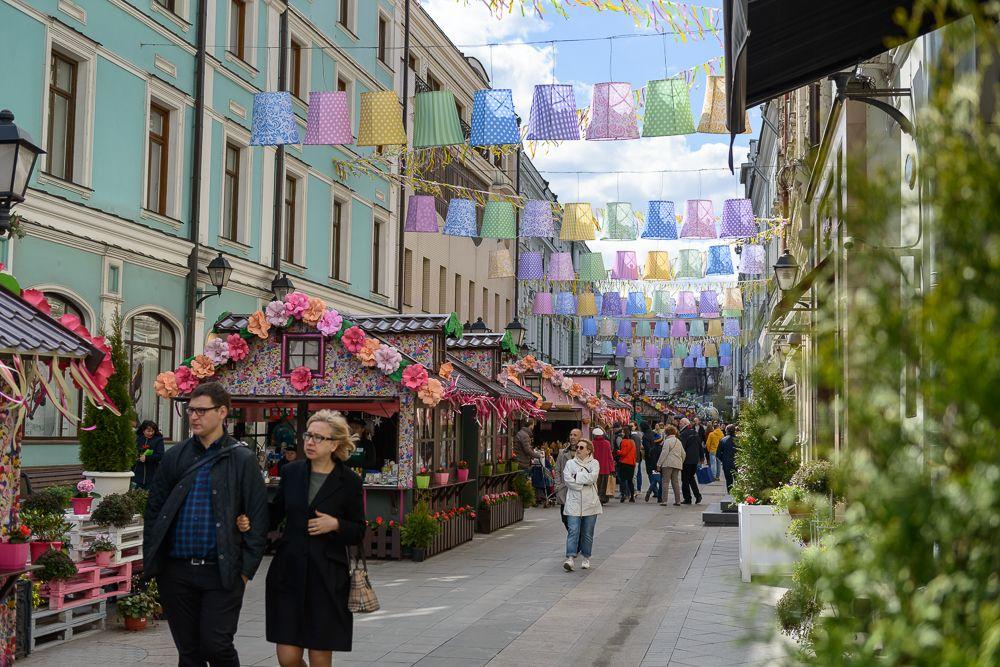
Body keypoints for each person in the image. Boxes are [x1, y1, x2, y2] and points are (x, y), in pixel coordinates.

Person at [143, 382, 268, 667]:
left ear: (222, 412)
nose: (194, 416)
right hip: (176, 571)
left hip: (222, 572)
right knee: (189, 652)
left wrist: (245, 572)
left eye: (201, 410)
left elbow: (259, 521)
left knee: (217, 645)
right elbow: (155, 510)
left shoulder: (242, 459)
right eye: (190, 411)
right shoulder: (176, 456)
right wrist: (155, 561)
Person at [253, 409, 365, 666]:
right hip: (288, 572)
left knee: (319, 656)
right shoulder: (292, 472)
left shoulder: (349, 481)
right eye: (308, 435)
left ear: (335, 443)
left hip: (327, 577)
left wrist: (335, 524)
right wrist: (246, 518)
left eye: (318, 437)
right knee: (288, 657)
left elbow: (358, 530)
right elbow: (274, 514)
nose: (310, 442)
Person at [562, 438, 601, 572]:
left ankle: (586, 557)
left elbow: (593, 478)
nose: (578, 450)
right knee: (573, 530)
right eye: (577, 447)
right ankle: (570, 558)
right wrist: (582, 482)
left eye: (581, 448)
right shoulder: (570, 463)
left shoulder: (594, 463)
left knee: (587, 532)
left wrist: (577, 477)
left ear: (588, 450)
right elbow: (568, 480)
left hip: (590, 503)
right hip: (574, 502)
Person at [554, 430, 581, 529]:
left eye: (575, 435)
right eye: (571, 435)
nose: (572, 437)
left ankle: (575, 541)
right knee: (565, 519)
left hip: (578, 492)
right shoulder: (563, 452)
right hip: (564, 490)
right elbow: (557, 470)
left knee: (577, 521)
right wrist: (558, 486)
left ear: (580, 437)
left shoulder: (584, 453)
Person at [656, 425, 685, 506]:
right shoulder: (678, 441)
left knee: (665, 482)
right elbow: (683, 453)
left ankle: (664, 501)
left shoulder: (667, 441)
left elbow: (664, 453)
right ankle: (678, 500)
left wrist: (659, 464)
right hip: (677, 464)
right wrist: (681, 461)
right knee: (675, 482)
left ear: (667, 433)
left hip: (668, 464)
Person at [133, 420, 165, 490]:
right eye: (148, 431)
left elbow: (161, 455)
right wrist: (136, 457)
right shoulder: (138, 439)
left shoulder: (158, 440)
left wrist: (147, 458)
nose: (150, 433)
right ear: (143, 430)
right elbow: (133, 451)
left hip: (152, 474)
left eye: (152, 431)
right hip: (138, 474)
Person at [679, 418, 703, 504]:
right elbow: (700, 445)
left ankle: (688, 498)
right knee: (691, 478)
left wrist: (679, 459)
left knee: (685, 480)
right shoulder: (695, 432)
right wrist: (701, 458)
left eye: (681, 423)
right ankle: (698, 495)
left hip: (686, 460)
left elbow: (682, 448)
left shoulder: (683, 434)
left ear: (685, 423)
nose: (679, 424)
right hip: (695, 460)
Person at [591, 428, 615, 504]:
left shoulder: (592, 443)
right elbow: (609, 456)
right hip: (605, 467)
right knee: (604, 484)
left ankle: (595, 497)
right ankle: (603, 498)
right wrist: (612, 468)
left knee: (595, 484)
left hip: (594, 467)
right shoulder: (607, 443)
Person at [615, 432, 637, 503]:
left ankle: (623, 495)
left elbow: (623, 453)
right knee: (630, 480)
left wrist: (618, 451)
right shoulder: (632, 442)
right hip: (632, 463)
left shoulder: (624, 442)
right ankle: (632, 496)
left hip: (624, 462)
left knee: (623, 480)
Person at [717, 425, 739, 492]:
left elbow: (718, 454)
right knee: (738, 481)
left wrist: (723, 460)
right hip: (737, 463)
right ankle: (738, 495)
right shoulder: (738, 440)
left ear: (726, 431)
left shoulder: (723, 440)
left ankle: (729, 495)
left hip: (726, 463)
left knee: (729, 482)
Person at [644, 431, 664, 503]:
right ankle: (659, 497)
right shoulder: (662, 449)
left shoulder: (652, 449)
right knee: (661, 482)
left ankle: (649, 491)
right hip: (660, 466)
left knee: (655, 480)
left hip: (653, 467)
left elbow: (650, 457)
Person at [630, 422, 644, 494]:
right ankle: (637, 488)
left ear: (635, 426)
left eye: (632, 426)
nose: (631, 427)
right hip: (638, 455)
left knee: (637, 473)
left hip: (637, 455)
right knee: (637, 472)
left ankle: (637, 488)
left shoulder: (637, 434)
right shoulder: (632, 434)